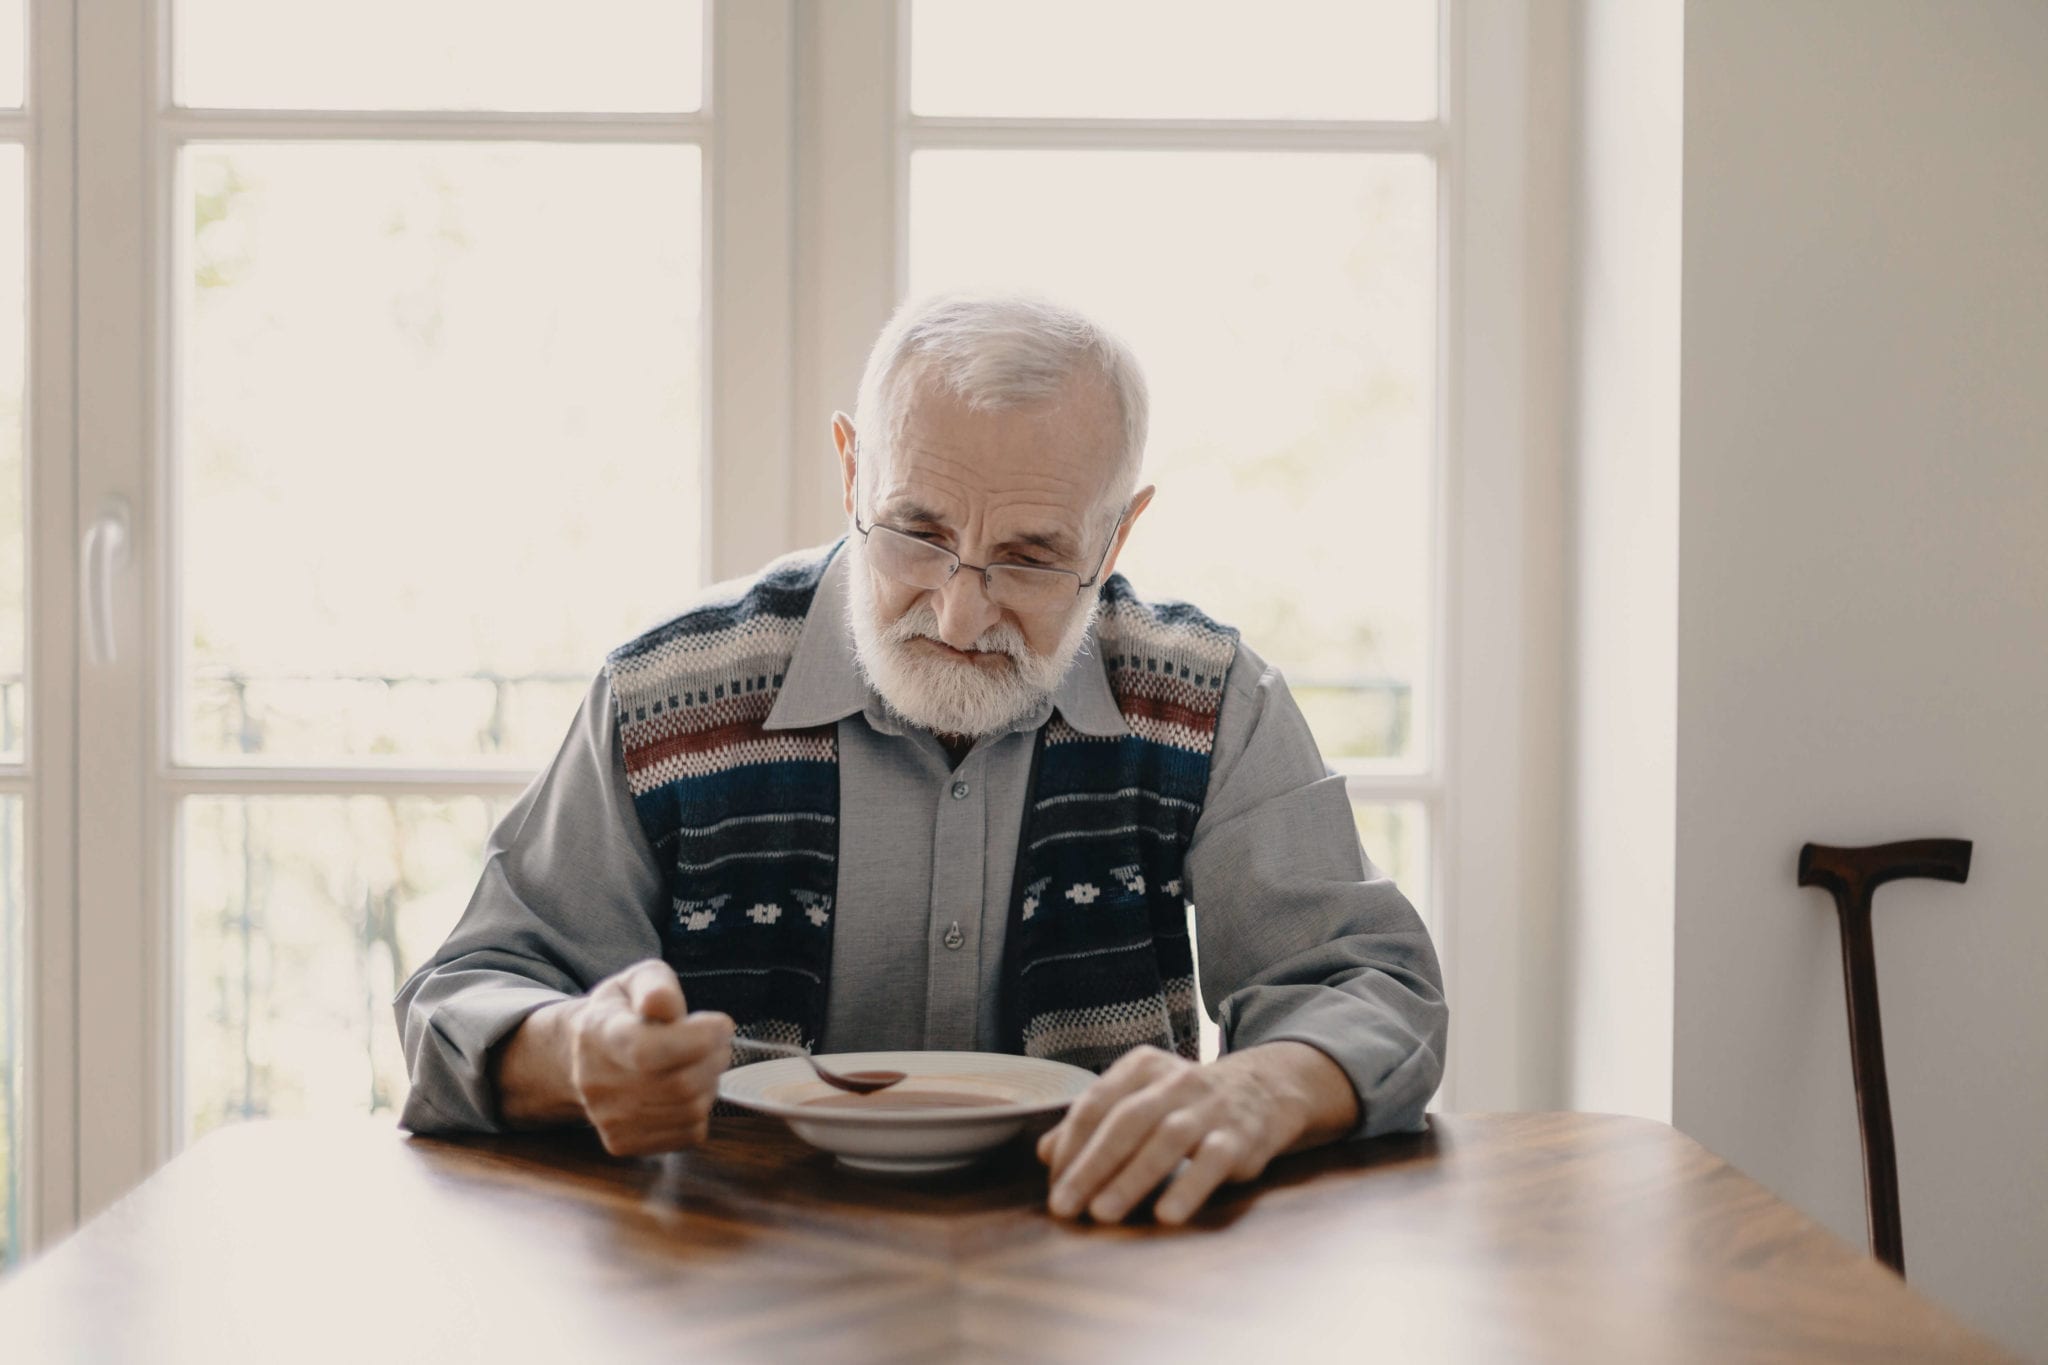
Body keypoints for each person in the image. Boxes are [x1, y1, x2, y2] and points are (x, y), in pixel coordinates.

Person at [393, 292, 1448, 1226]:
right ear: (854, 470)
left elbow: (1370, 985)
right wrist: (575, 1057)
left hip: (1107, 1267)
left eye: (1031, 557)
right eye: (915, 532)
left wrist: (1256, 1089)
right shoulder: (665, 690)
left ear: (1115, 538)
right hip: (723, 1276)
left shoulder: (1208, 698)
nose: (957, 610)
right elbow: (466, 994)